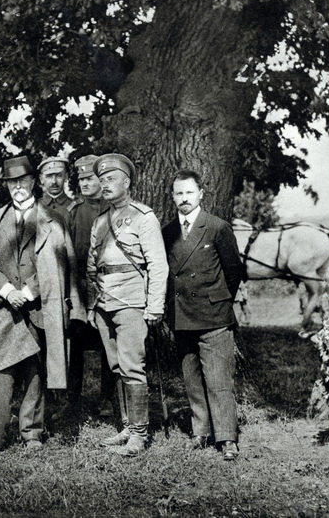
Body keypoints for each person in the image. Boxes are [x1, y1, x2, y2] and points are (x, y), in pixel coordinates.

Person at [0, 155, 83, 456]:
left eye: (22, 181)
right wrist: (7, 290)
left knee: (34, 372)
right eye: (11, 182)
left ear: (33, 182)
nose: (17, 186)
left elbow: (61, 267)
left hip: (37, 306)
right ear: (6, 185)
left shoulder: (53, 221)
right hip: (2, 307)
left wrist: (29, 292)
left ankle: (32, 432)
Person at [87, 153, 168, 456]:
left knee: (133, 367)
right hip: (104, 304)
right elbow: (91, 267)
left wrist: (155, 306)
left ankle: (139, 435)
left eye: (110, 179)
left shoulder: (143, 217)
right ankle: (126, 425)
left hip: (132, 302)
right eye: (102, 179)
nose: (104, 184)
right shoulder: (99, 221)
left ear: (127, 182)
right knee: (117, 366)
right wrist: (93, 304)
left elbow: (158, 265)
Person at [162, 170, 244, 461]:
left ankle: (227, 438)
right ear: (172, 197)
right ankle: (201, 432)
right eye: (178, 194)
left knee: (218, 378)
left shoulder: (217, 227)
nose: (184, 199)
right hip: (182, 316)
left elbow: (234, 271)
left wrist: (218, 300)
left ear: (200, 194)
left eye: (189, 193)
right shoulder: (168, 232)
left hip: (214, 316)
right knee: (192, 377)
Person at [58, 154, 116, 418]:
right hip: (79, 288)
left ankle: (107, 398)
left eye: (89, 178)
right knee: (76, 346)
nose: (83, 183)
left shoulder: (114, 209)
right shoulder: (73, 213)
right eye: (80, 179)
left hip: (108, 286)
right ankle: (73, 400)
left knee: (108, 343)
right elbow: (65, 255)